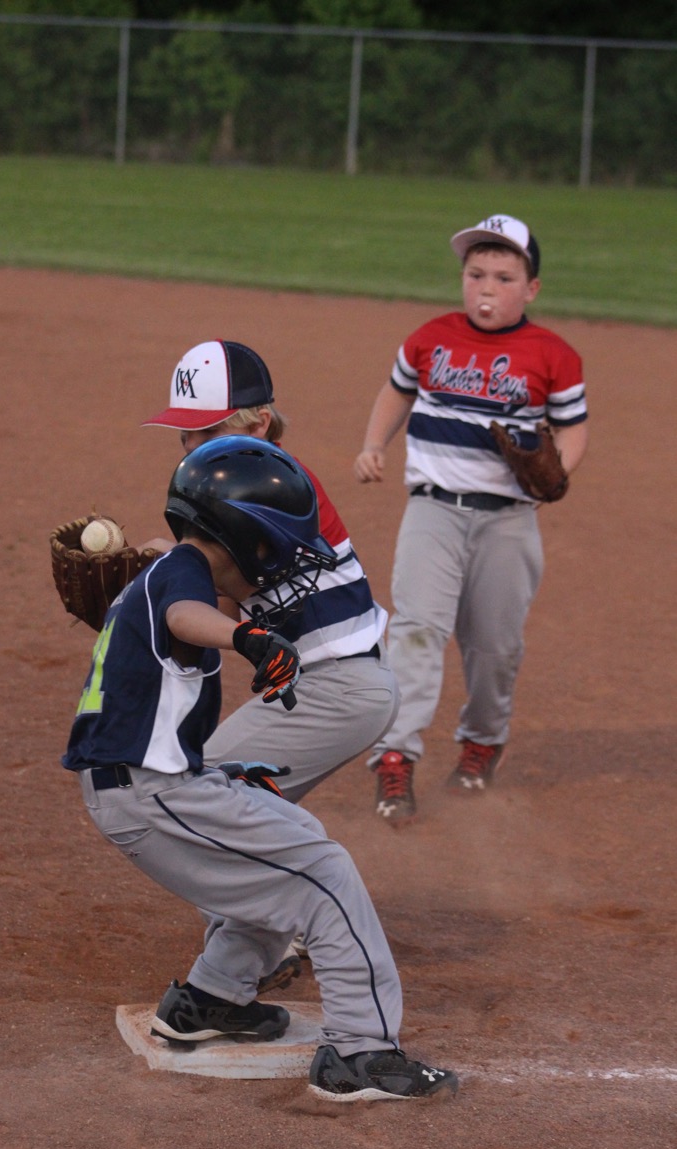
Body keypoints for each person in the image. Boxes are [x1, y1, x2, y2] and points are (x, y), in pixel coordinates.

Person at [62, 435, 459, 1102]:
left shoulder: (169, 571)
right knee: (322, 872)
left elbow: (181, 609)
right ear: (244, 541)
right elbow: (189, 618)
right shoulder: (183, 583)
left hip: (148, 787)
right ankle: (361, 1053)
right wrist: (243, 636)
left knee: (279, 844)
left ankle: (211, 1002)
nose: (279, 567)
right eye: (273, 552)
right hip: (152, 791)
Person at [142, 339, 400, 991]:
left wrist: (162, 570)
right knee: (224, 801)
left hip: (336, 686)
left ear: (257, 424)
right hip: (318, 687)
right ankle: (278, 923)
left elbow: (209, 580)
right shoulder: (239, 486)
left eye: (208, 431)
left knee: (195, 794)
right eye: (184, 435)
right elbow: (235, 599)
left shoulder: (274, 485)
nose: (192, 448)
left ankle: (276, 929)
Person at [354, 214, 589, 825]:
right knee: (416, 630)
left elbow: (572, 425)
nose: (487, 286)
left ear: (531, 289)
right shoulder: (430, 337)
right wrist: (374, 442)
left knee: (494, 647)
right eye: (476, 273)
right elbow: (397, 390)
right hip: (433, 508)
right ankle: (394, 756)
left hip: (509, 519)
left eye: (505, 276)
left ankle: (483, 741)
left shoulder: (553, 355)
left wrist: (557, 473)